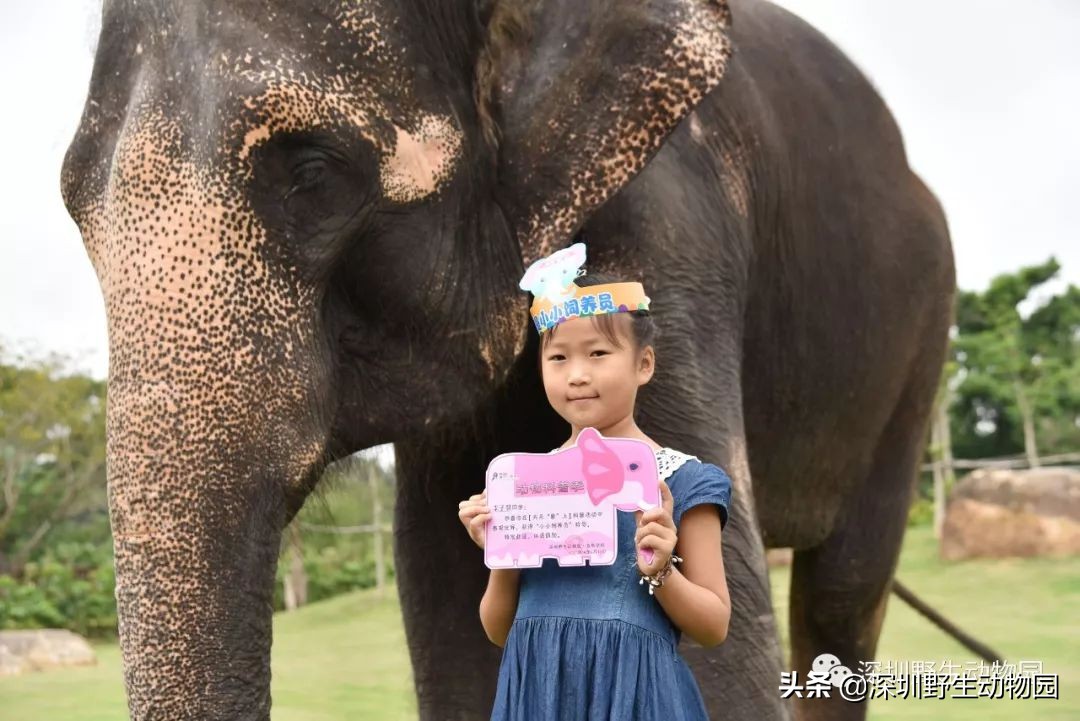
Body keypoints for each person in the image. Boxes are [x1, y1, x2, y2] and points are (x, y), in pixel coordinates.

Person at [457, 245, 733, 720]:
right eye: (559, 357)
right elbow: (499, 628)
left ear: (643, 364)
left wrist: (661, 570)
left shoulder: (682, 480)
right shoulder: (526, 483)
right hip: (538, 696)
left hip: (639, 697)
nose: (578, 375)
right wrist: (502, 549)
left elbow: (714, 626)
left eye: (599, 353)